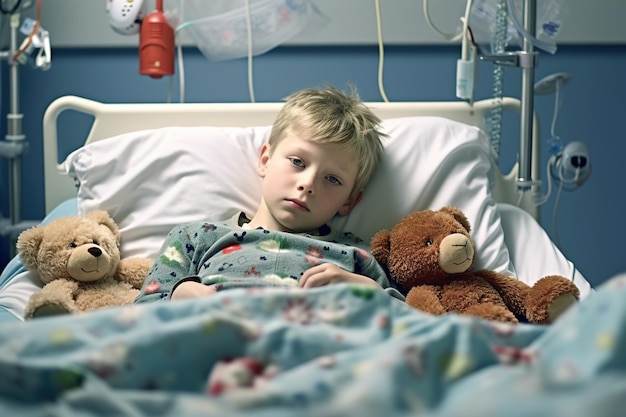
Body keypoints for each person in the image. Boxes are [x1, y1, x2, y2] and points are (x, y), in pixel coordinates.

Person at [134, 84, 404, 303]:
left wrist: (370, 293)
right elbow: (136, 318)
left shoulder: (357, 255)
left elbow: (411, 325)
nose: (308, 184)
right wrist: (178, 296)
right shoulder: (195, 238)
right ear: (265, 159)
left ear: (349, 201)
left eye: (332, 179)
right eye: (298, 162)